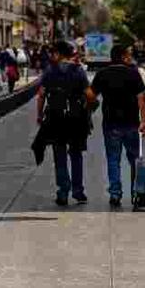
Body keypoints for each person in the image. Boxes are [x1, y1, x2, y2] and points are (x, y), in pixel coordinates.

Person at [91, 45, 145, 208]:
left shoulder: (102, 74)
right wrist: (144, 121)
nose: (131, 57)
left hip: (111, 124)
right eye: (129, 55)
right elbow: (142, 98)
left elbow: (90, 95)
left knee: (113, 159)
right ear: (123, 57)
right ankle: (137, 192)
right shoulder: (133, 73)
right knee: (135, 159)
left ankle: (115, 194)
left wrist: (94, 105)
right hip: (131, 123)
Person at [36, 40, 96, 207]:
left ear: (58, 54)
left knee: (59, 156)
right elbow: (90, 95)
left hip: (55, 118)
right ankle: (78, 192)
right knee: (76, 155)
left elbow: (41, 95)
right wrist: (88, 111)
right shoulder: (78, 72)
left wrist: (39, 115)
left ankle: (63, 192)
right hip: (76, 119)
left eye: (53, 53)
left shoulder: (50, 71)